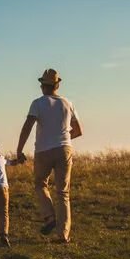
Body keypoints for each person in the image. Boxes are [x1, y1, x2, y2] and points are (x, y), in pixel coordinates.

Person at [15, 69, 83, 243]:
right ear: (57, 85)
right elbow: (78, 131)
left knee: (40, 184)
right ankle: (63, 234)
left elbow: (27, 126)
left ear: (42, 86)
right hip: (64, 149)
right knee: (63, 192)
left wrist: (19, 149)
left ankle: (49, 216)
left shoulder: (37, 103)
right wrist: (63, 138)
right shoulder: (68, 103)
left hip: (43, 150)